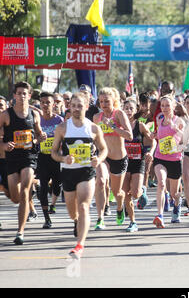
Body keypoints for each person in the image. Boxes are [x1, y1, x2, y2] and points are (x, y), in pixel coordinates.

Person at [51, 91, 108, 259]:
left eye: (80, 106)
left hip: (86, 172)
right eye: (73, 106)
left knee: (83, 206)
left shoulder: (93, 128)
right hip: (68, 173)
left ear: (86, 107)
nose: (76, 109)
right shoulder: (62, 128)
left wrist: (98, 159)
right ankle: (76, 221)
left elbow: (104, 149)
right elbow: (53, 152)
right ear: (69, 107)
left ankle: (80, 244)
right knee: (72, 212)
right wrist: (63, 158)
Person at [0, 81, 47, 245]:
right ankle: (8, 189)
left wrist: (41, 137)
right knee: (15, 198)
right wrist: (4, 145)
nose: (21, 96)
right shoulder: (5, 115)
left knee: (25, 192)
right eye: (18, 93)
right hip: (12, 158)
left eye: (24, 93)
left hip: (29, 156)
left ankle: (20, 231)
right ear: (14, 95)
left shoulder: (34, 114)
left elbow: (39, 133)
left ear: (29, 95)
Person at [93, 87, 133, 230]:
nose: (104, 104)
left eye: (107, 101)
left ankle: (120, 206)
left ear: (114, 101)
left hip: (118, 158)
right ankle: (100, 218)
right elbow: (95, 137)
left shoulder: (119, 114)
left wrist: (113, 125)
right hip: (103, 157)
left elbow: (129, 136)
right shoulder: (96, 117)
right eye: (101, 101)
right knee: (101, 181)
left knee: (117, 193)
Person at [151, 96, 185, 228]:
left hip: (175, 159)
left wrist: (176, 128)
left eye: (167, 105)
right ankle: (160, 215)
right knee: (161, 183)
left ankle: (177, 204)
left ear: (173, 107)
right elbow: (158, 136)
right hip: (160, 157)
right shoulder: (159, 119)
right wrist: (154, 136)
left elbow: (186, 138)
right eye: (163, 105)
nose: (164, 108)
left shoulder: (179, 120)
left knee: (174, 193)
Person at [122, 99, 154, 232]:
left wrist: (150, 152)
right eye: (126, 108)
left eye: (131, 108)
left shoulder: (140, 126)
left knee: (135, 194)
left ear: (135, 111)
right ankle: (133, 222)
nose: (128, 111)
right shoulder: (119, 125)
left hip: (138, 162)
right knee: (125, 194)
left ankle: (142, 190)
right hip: (123, 162)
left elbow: (153, 141)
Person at [36, 92, 64, 228]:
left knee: (57, 186)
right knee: (43, 186)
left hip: (56, 157)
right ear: (40, 104)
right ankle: (47, 218)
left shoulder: (59, 120)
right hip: (42, 157)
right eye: (43, 102)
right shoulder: (37, 120)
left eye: (48, 102)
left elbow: (65, 138)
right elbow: (32, 138)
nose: (45, 105)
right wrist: (38, 140)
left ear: (54, 104)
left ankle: (53, 203)